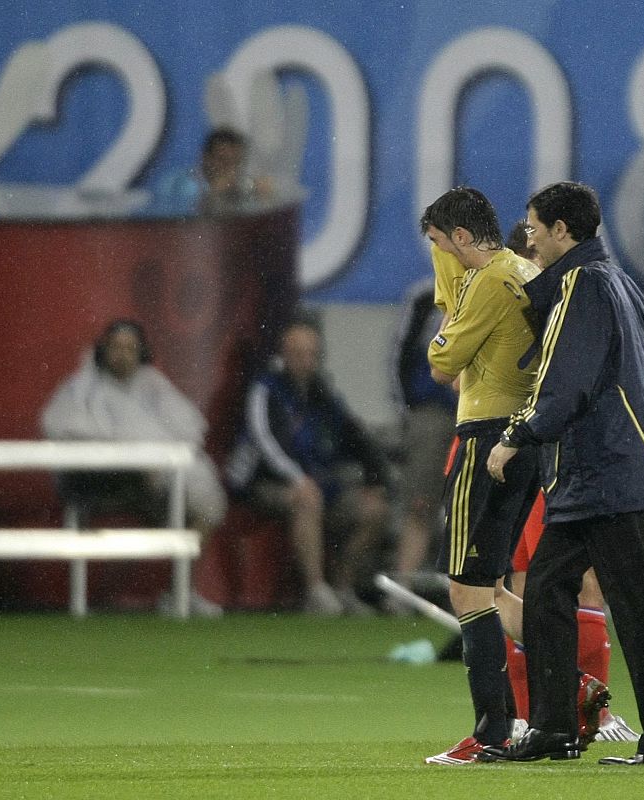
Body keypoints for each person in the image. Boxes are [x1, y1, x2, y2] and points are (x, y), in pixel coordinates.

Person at [482, 181, 644, 766]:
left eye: (532, 228)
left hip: (605, 472)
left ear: (561, 230)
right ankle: (553, 729)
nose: (526, 238)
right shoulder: (620, 283)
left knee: (636, 607)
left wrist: (517, 435)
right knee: (549, 589)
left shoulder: (582, 287)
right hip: (601, 473)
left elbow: (567, 381)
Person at [418, 187, 543, 766]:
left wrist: (449, 299)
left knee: (466, 587)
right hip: (521, 439)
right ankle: (571, 686)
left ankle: (493, 729)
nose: (440, 256)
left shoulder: (489, 279)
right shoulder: (523, 267)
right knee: (494, 587)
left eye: (441, 245)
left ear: (462, 239)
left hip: (484, 438)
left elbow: (442, 365)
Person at [502, 222, 638, 745]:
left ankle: (591, 710)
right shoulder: (515, 305)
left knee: (576, 583)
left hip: (553, 456)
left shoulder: (575, 301)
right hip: (519, 452)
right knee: (520, 582)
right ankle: (525, 712)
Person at [40, 318, 228, 617]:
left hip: (158, 483)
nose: (122, 354)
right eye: (116, 347)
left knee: (207, 503)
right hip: (103, 482)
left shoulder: (154, 384)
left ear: (141, 352)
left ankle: (180, 592)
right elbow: (61, 429)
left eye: (130, 348)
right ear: (104, 349)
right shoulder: (82, 387)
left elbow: (188, 429)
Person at [225, 313, 392, 616]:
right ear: (283, 355)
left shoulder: (321, 392)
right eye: (298, 354)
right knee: (307, 499)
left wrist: (375, 479)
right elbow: (265, 441)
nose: (305, 361)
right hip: (263, 482)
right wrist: (297, 478)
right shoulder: (265, 388)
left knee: (374, 509)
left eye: (312, 354)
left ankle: (343, 587)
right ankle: (316, 591)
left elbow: (354, 434)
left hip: (316, 480)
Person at [386, 276, 458, 591]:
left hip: (478, 411)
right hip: (432, 413)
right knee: (420, 502)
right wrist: (410, 411)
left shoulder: (492, 289)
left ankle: (470, 595)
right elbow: (400, 356)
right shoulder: (426, 296)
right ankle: (403, 588)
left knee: (469, 508)